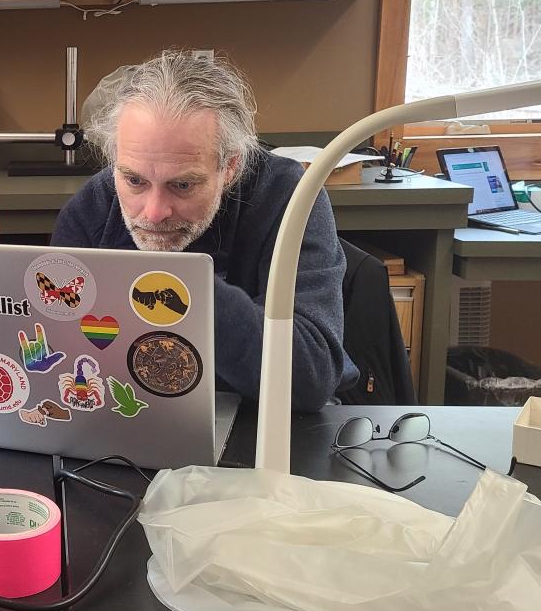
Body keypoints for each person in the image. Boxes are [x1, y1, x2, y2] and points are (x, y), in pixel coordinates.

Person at [52, 50, 354, 411]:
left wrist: (180, 285)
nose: (154, 212)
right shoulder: (92, 209)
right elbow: (61, 353)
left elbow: (309, 380)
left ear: (230, 166)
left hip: (265, 424)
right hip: (134, 418)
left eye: (183, 186)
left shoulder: (288, 200)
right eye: (134, 180)